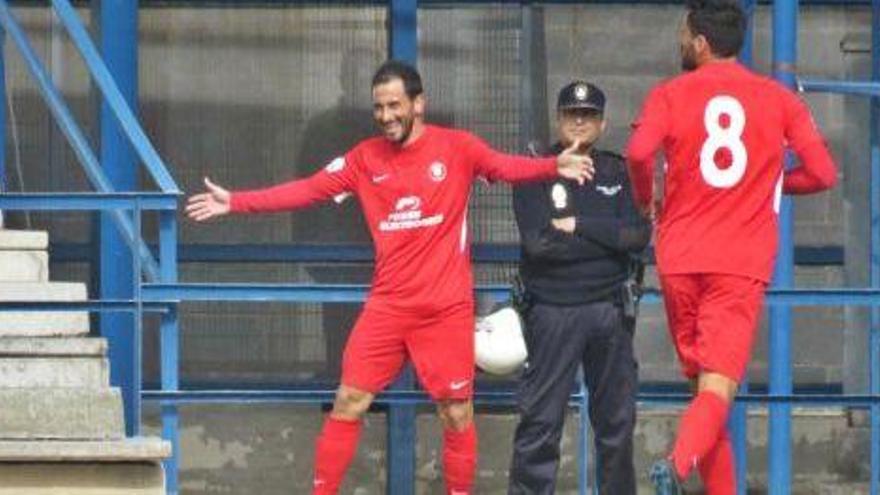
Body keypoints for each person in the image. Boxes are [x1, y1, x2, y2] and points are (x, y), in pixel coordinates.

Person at [186, 60, 593, 495]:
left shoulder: (457, 147)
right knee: (348, 401)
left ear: (419, 104)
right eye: (379, 107)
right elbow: (308, 189)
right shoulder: (364, 158)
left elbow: (503, 166)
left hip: (445, 309)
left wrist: (554, 167)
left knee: (456, 411)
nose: (386, 116)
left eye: (395, 105)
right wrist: (237, 202)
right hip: (388, 307)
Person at [625, 0, 838, 493]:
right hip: (738, 262)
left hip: (679, 257)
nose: (681, 42)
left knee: (703, 390)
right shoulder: (778, 99)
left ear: (700, 42)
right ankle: (676, 466)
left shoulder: (669, 93)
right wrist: (772, 184)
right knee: (718, 387)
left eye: (684, 34)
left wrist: (646, 199)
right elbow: (824, 173)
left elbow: (638, 152)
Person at [507, 80, 650, 495]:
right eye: (571, 113)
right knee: (541, 424)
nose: (579, 121)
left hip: (611, 311)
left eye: (588, 115)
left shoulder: (618, 172)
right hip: (553, 311)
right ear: (558, 118)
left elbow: (638, 236)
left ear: (603, 123)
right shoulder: (535, 171)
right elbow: (540, 244)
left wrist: (578, 227)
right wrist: (605, 241)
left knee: (617, 426)